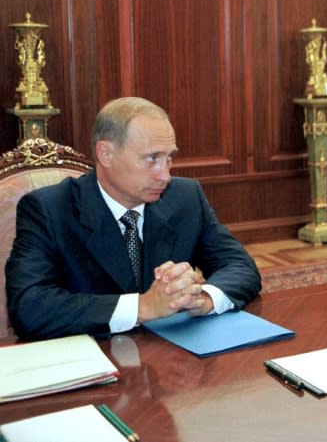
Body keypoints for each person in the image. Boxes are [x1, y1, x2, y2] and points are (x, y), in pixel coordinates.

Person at [6, 97, 262, 340]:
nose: (165, 176)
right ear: (105, 154)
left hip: (172, 362)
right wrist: (142, 307)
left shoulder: (185, 197)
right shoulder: (49, 209)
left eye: (169, 158)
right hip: (95, 361)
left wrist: (203, 298)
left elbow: (241, 267)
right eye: (152, 159)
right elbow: (29, 308)